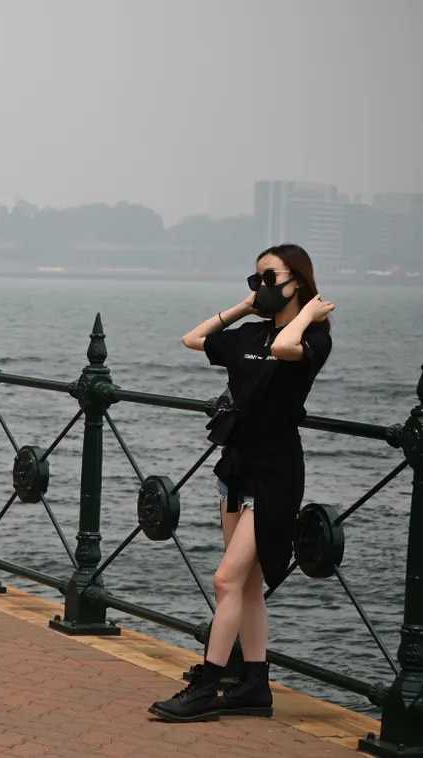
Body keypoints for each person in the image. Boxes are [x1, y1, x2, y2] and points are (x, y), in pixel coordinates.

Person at [150, 243, 335, 723]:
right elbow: (193, 338)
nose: (262, 287)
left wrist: (307, 311)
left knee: (226, 579)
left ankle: (208, 688)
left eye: (270, 278)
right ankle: (255, 685)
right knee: (247, 585)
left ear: (299, 279)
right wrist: (243, 307)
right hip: (235, 470)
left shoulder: (313, 339)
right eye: (256, 280)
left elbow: (285, 348)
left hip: (276, 474)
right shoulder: (250, 332)